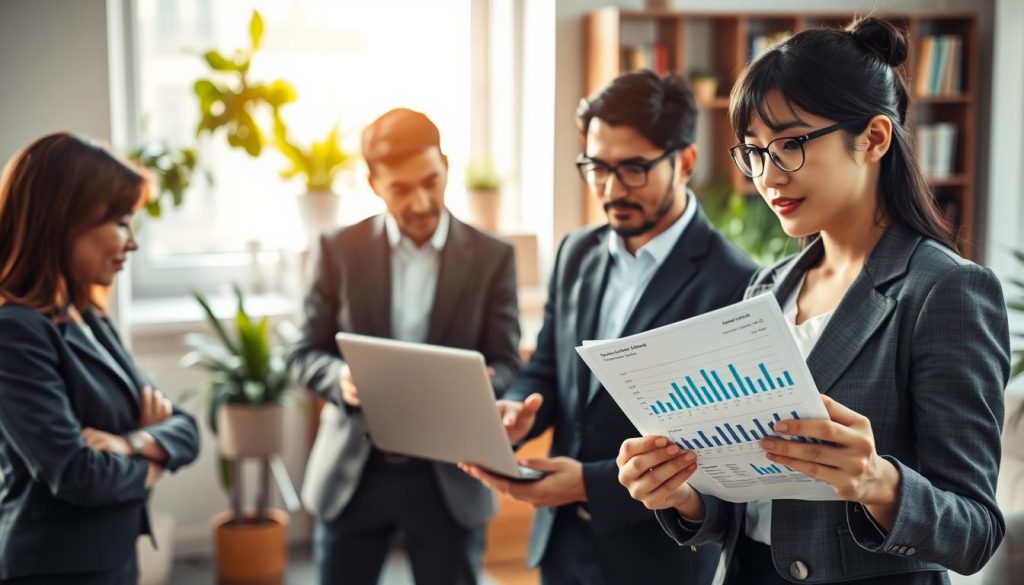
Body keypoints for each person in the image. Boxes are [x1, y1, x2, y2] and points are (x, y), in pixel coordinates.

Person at [616, 18, 1009, 585]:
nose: (767, 176)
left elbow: (975, 532)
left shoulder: (944, 290)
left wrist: (877, 480)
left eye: (791, 144)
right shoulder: (767, 288)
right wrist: (682, 494)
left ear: (873, 138)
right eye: (753, 152)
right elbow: (747, 506)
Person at [461, 70, 757, 584]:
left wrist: (587, 485)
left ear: (685, 161)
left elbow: (718, 452)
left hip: (660, 555)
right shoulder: (576, 252)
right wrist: (520, 410)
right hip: (560, 544)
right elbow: (549, 370)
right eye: (597, 168)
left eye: (634, 169)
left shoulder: (736, 283)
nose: (611, 188)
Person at [289, 108, 522, 585]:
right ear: (374, 183)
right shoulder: (337, 251)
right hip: (355, 473)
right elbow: (302, 353)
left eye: (430, 181)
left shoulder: (493, 258)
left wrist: (486, 383)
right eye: (400, 189)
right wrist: (339, 378)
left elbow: (506, 360)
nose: (420, 202)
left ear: (447, 167)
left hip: (450, 478)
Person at [0, 133, 201, 584]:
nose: (132, 243)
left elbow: (185, 427)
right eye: (121, 223)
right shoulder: (15, 332)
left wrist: (130, 443)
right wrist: (152, 464)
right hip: (55, 570)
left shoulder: (86, 315)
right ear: (63, 223)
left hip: (112, 555)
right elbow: (77, 473)